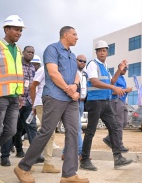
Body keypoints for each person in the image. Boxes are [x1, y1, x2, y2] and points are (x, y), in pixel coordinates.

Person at [14, 26, 89, 183]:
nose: (77, 37)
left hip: (70, 100)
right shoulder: (52, 49)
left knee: (73, 133)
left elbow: (76, 74)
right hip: (54, 96)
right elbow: (53, 73)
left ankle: (69, 174)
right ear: (65, 34)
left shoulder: (72, 55)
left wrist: (75, 86)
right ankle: (23, 167)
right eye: (75, 34)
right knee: (46, 132)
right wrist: (69, 90)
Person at [80, 40, 133, 171]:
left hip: (105, 101)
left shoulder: (105, 66)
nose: (102, 52)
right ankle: (85, 160)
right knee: (90, 132)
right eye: (100, 50)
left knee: (114, 127)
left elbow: (112, 81)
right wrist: (113, 88)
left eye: (104, 50)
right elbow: (94, 82)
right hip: (94, 102)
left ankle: (118, 158)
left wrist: (119, 70)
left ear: (107, 52)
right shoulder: (93, 64)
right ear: (96, 52)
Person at [11, 46, 44, 164]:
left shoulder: (32, 68)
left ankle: (35, 155)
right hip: (17, 101)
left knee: (31, 128)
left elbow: (33, 86)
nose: (30, 54)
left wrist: (34, 102)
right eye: (28, 52)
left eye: (32, 52)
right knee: (12, 128)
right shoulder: (17, 65)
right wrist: (17, 95)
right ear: (23, 53)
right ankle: (7, 154)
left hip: (29, 103)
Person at [0, 15, 25, 167]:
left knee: (11, 131)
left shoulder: (18, 49)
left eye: (21, 30)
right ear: (6, 29)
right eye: (16, 29)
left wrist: (20, 94)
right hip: (1, 96)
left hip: (14, 97)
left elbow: (17, 73)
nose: (19, 32)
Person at [29, 54, 60, 173]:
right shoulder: (43, 70)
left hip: (51, 104)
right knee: (45, 133)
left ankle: (47, 163)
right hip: (42, 103)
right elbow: (33, 86)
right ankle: (29, 162)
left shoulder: (56, 70)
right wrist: (34, 104)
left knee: (48, 133)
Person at [62, 54, 87, 160]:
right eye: (80, 60)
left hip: (82, 103)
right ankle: (81, 153)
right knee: (77, 128)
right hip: (73, 102)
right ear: (76, 61)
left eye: (84, 61)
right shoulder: (72, 72)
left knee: (73, 129)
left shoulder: (85, 74)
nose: (82, 63)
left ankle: (64, 152)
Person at [102, 63, 133, 152]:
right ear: (120, 68)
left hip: (122, 102)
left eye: (126, 70)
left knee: (124, 122)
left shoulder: (122, 78)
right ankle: (119, 144)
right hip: (116, 101)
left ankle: (109, 138)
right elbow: (111, 91)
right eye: (124, 69)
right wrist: (126, 90)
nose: (125, 71)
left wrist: (126, 90)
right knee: (119, 123)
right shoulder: (115, 78)